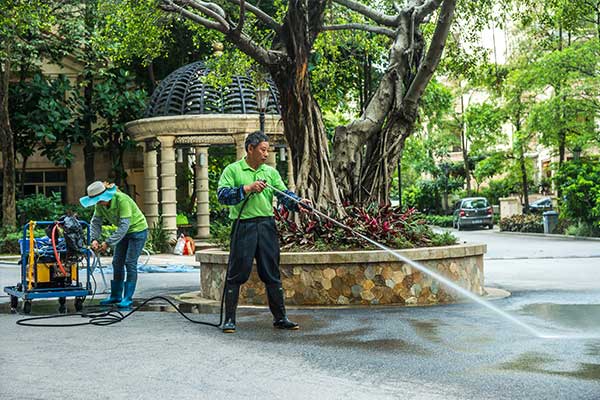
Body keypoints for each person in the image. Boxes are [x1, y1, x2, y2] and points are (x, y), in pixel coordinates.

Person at [217, 131, 311, 333]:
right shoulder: (233, 170)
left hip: (266, 225)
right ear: (250, 149)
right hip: (243, 226)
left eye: (267, 150)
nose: (266, 154)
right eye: (263, 149)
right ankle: (229, 320)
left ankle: (280, 318)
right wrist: (247, 188)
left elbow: (284, 194)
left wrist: (298, 203)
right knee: (236, 273)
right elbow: (223, 196)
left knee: (271, 272)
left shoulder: (271, 173)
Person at [80, 181, 148, 308]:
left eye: (100, 200)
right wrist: (94, 239)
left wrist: (108, 243)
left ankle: (127, 298)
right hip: (124, 233)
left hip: (137, 231)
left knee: (130, 262)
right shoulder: (99, 205)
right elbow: (96, 222)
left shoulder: (122, 200)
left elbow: (124, 226)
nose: (99, 203)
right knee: (117, 262)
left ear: (107, 196)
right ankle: (116, 295)